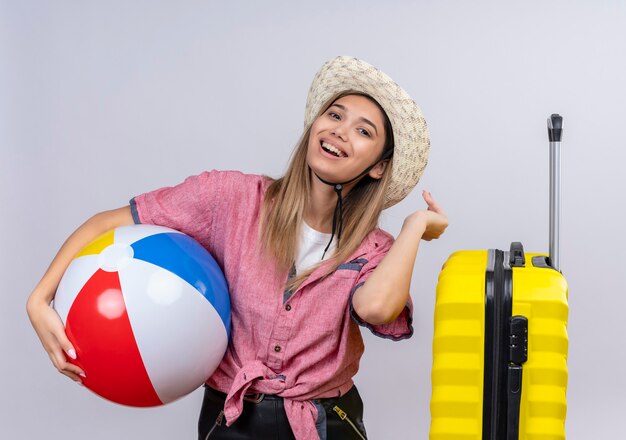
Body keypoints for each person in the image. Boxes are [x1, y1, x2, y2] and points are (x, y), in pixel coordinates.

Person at [26, 56, 448, 440]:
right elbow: (107, 223)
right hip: (230, 421)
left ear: (377, 166)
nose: (340, 130)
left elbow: (376, 309)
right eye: (334, 114)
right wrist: (40, 299)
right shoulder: (230, 198)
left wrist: (414, 228)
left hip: (327, 423)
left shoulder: (375, 250)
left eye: (363, 131)